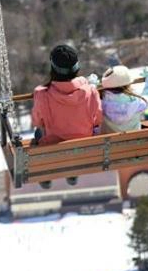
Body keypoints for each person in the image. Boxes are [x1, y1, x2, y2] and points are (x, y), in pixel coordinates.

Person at [30, 44, 102, 187]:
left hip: (54, 148)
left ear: (53, 68)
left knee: (39, 133)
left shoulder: (42, 94)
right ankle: (72, 173)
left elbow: (37, 121)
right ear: (76, 67)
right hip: (84, 146)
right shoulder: (90, 91)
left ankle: (45, 175)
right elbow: (98, 119)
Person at [100, 65, 148, 133]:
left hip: (109, 143)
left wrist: (92, 86)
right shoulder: (137, 103)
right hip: (136, 141)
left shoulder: (101, 104)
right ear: (128, 84)